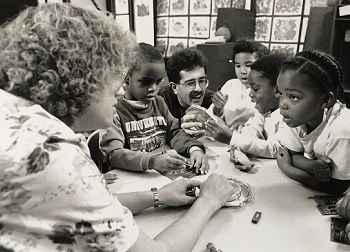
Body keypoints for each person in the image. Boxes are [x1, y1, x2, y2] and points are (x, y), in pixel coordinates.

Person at [0, 3, 238, 252]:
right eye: (112, 73)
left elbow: (83, 204)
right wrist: (209, 201)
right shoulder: (53, 154)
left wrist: (157, 196)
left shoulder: (22, 122)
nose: (118, 87)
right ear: (81, 79)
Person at [100, 43, 209, 174]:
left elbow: (174, 132)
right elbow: (114, 154)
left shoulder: (159, 103)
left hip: (155, 176)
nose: (153, 89)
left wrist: (194, 149)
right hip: (130, 180)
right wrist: (152, 161)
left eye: (158, 82)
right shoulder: (114, 110)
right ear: (126, 79)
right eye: (145, 82)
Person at [276, 50, 350, 195]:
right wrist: (310, 166)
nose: (282, 104)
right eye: (281, 94)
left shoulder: (341, 130)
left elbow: (338, 187)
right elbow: (290, 154)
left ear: (325, 100)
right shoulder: (299, 118)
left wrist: (288, 169)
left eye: (293, 97)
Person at [182, 38, 270, 139]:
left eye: (248, 65)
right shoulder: (231, 85)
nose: (242, 71)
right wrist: (217, 110)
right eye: (237, 66)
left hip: (247, 141)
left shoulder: (265, 92)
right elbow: (211, 119)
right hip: (220, 141)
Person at [207, 53, 288, 157]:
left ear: (277, 90)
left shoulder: (288, 118)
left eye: (255, 89)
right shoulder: (263, 113)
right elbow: (251, 130)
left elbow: (275, 148)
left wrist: (231, 138)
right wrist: (239, 149)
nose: (250, 94)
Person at [158, 48, 214, 121]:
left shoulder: (212, 102)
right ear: (174, 87)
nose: (198, 88)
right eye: (190, 83)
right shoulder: (160, 102)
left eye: (201, 81)